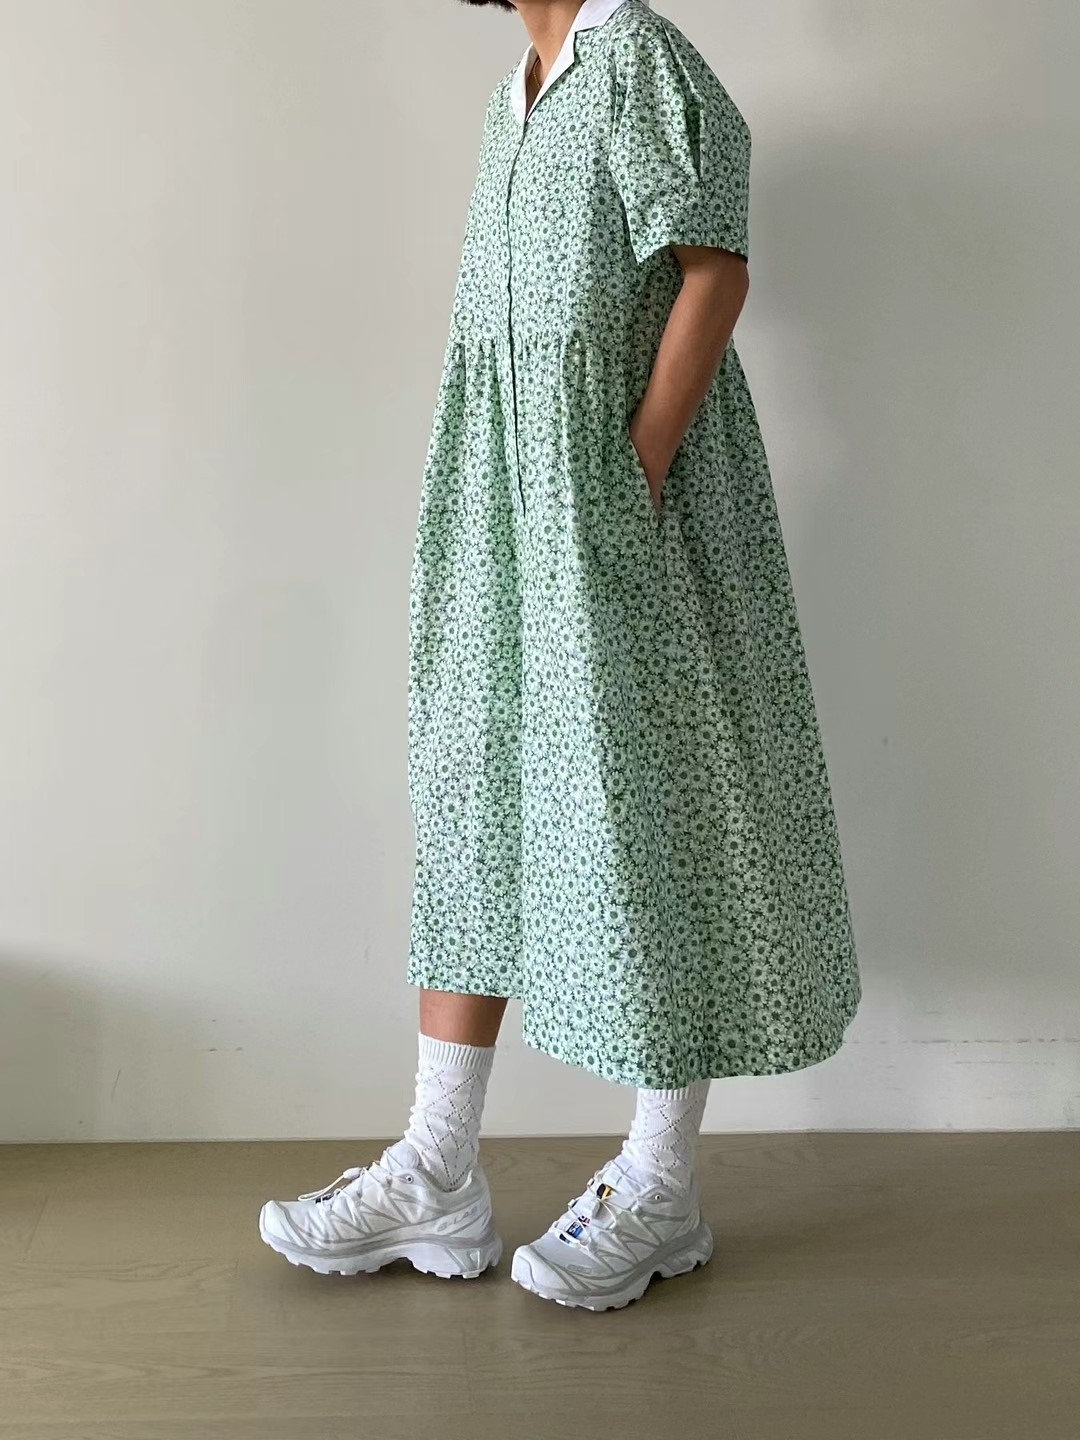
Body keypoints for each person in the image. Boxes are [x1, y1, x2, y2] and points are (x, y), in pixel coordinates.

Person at [259, 0, 861, 1312]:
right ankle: (437, 1168)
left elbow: (714, 267)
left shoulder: (634, 51)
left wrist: (632, 467)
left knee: (653, 802)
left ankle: (660, 1181)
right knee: (474, 798)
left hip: (617, 506)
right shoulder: (514, 95)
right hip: (502, 509)